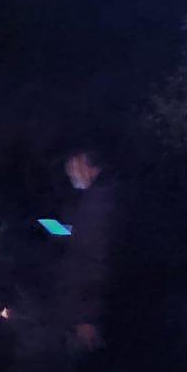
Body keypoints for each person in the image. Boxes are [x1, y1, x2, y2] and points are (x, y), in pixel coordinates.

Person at [60, 149, 117, 352]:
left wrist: (87, 317)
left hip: (96, 314)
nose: (70, 175)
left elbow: (96, 259)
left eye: (73, 169)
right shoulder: (100, 195)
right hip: (100, 307)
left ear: (87, 166)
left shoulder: (98, 202)